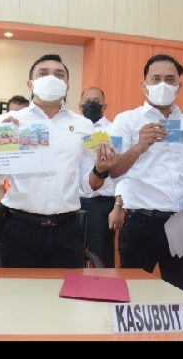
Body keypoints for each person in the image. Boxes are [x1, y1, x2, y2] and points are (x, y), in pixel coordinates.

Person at [0, 54, 119, 268]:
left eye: (59, 74)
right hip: (20, 228)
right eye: (43, 73)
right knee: (16, 289)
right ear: (30, 84)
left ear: (67, 86)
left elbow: (87, 185)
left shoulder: (83, 125)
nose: (51, 78)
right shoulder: (11, 121)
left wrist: (101, 171)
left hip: (67, 230)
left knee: (64, 290)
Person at [109, 54, 183, 292]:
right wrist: (139, 146)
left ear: (178, 86)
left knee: (179, 296)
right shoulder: (126, 120)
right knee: (132, 296)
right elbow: (112, 171)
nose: (162, 85)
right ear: (144, 85)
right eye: (156, 79)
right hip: (141, 223)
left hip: (182, 221)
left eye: (169, 79)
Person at [78, 87, 121, 268]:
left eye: (96, 101)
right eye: (87, 101)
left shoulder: (114, 131)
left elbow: (121, 171)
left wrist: (118, 205)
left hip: (102, 205)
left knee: (101, 260)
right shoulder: (72, 129)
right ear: (80, 106)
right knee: (70, 258)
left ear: (105, 106)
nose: (91, 105)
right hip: (72, 204)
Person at [0, 95, 30, 223]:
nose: (17, 117)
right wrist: (6, 204)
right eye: (14, 112)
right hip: (2, 209)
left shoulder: (33, 143)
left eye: (22, 113)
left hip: (28, 213)